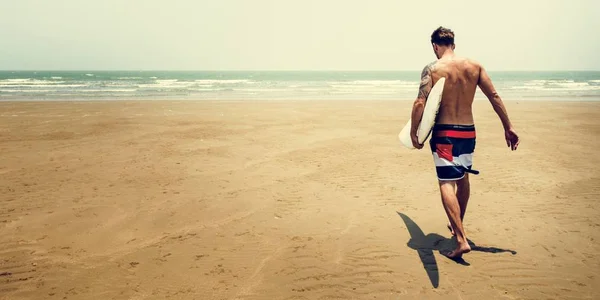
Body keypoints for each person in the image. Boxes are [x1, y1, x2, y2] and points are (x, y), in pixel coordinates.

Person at [409, 26, 520, 258]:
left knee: (445, 182)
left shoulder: (433, 69)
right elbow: (494, 96)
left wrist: (414, 132)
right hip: (468, 133)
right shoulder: (474, 66)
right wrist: (508, 126)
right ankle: (457, 222)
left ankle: (460, 240)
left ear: (435, 46)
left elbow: (421, 103)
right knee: (463, 177)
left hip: (445, 134)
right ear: (454, 45)